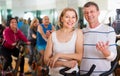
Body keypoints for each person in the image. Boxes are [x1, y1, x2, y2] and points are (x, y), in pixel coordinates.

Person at [80, 2, 117, 76]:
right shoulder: (81, 32)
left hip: (103, 74)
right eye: (86, 13)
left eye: (92, 11)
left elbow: (113, 57)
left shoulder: (109, 30)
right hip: (84, 74)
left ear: (98, 12)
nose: (89, 15)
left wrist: (105, 51)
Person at [44, 8, 83, 76]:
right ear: (62, 19)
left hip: (71, 74)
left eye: (73, 17)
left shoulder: (78, 33)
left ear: (76, 19)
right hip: (53, 74)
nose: (70, 20)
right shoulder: (53, 35)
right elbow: (46, 60)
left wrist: (58, 55)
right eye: (67, 17)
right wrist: (64, 63)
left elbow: (79, 56)